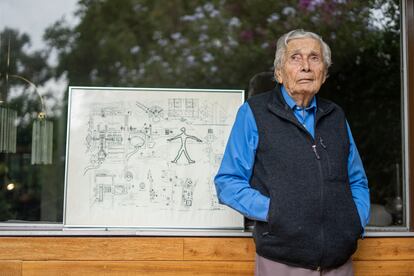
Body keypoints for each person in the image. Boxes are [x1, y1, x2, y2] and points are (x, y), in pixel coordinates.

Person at [214, 29, 370, 276]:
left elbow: (357, 180)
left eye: (314, 58)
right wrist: (276, 213)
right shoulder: (254, 113)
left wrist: (354, 221)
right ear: (279, 72)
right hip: (282, 262)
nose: (306, 66)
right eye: (295, 57)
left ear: (325, 73)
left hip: (339, 263)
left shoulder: (336, 116)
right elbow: (228, 183)